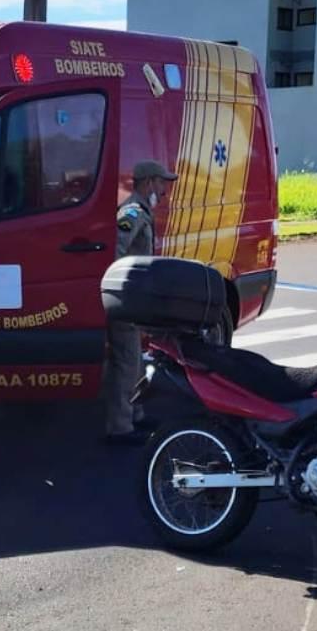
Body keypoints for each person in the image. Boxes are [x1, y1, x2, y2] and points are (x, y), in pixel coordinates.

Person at [103, 159, 178, 445]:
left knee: (134, 359)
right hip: (125, 298)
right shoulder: (132, 212)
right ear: (148, 182)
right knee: (125, 361)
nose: (164, 188)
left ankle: (135, 414)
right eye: (161, 182)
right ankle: (119, 427)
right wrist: (125, 284)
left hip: (135, 299)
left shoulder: (142, 210)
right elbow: (117, 249)